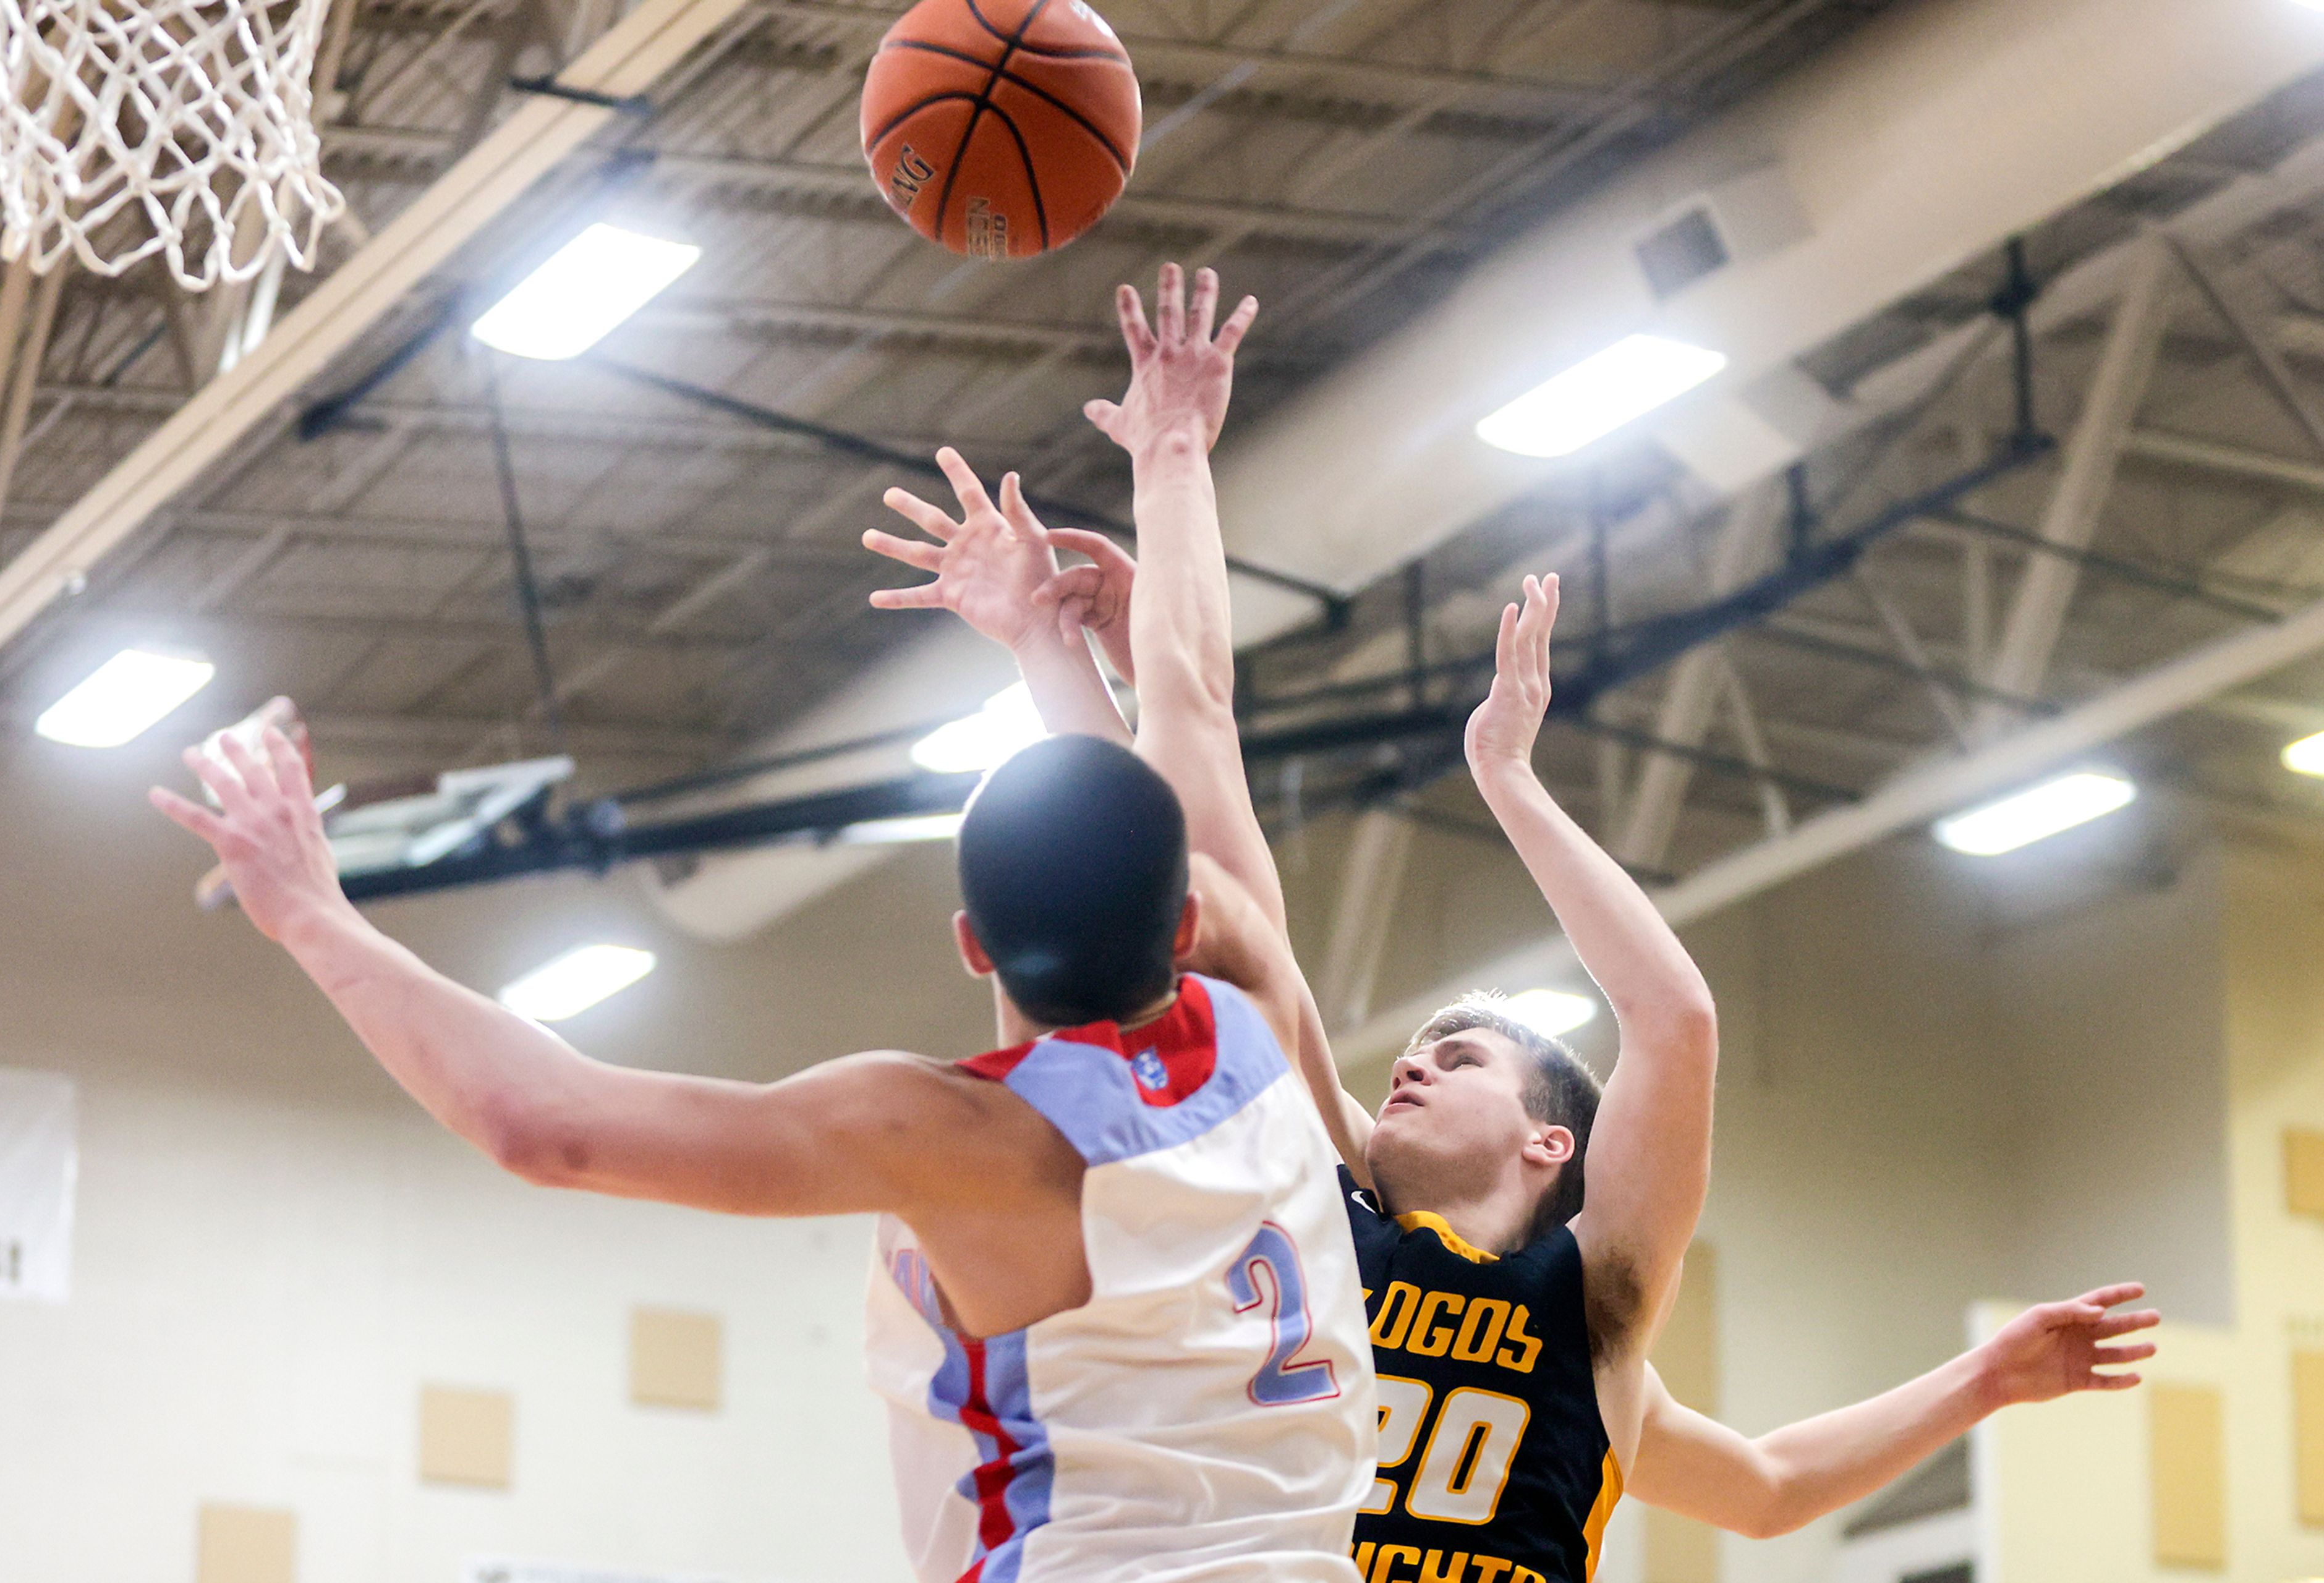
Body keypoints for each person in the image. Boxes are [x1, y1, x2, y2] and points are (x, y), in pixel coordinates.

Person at [865, 263, 2161, 1581]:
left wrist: (1510, 780)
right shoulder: (1322, 1211)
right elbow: (1177, 901)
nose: (1411, 1062)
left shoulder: (1592, 1317)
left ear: (1557, 1141)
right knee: (1213, 882)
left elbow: (1764, 1472)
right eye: (1419, 1052)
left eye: (1462, 1053)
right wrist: (1066, 644)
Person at [148, 697, 1376, 1576]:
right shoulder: (1260, 1021)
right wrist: (1068, 599)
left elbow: (546, 1126)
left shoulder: (953, 1133)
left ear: (970, 943)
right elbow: (1189, 722)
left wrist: (313, 912)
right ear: (1187, 929)